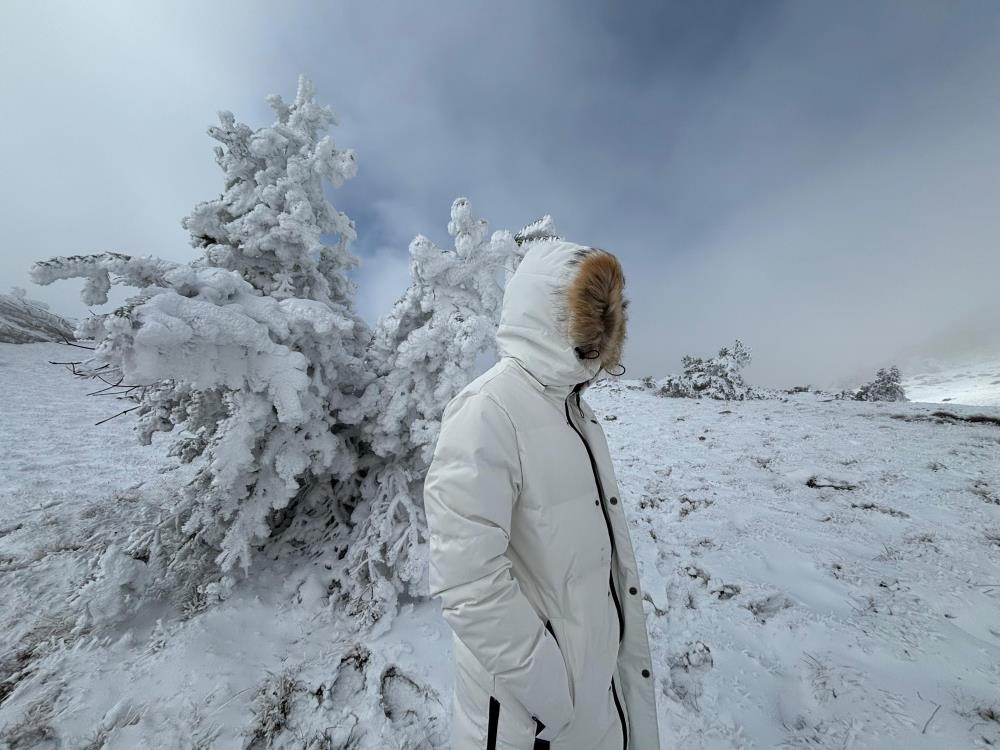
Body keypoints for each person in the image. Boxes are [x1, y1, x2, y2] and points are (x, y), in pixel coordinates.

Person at [423, 237, 660, 749]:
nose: (600, 329)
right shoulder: (489, 409)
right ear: (549, 313)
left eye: (607, 315)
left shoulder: (573, 409)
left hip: (590, 694)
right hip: (528, 716)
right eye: (589, 313)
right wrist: (553, 692)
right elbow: (466, 582)